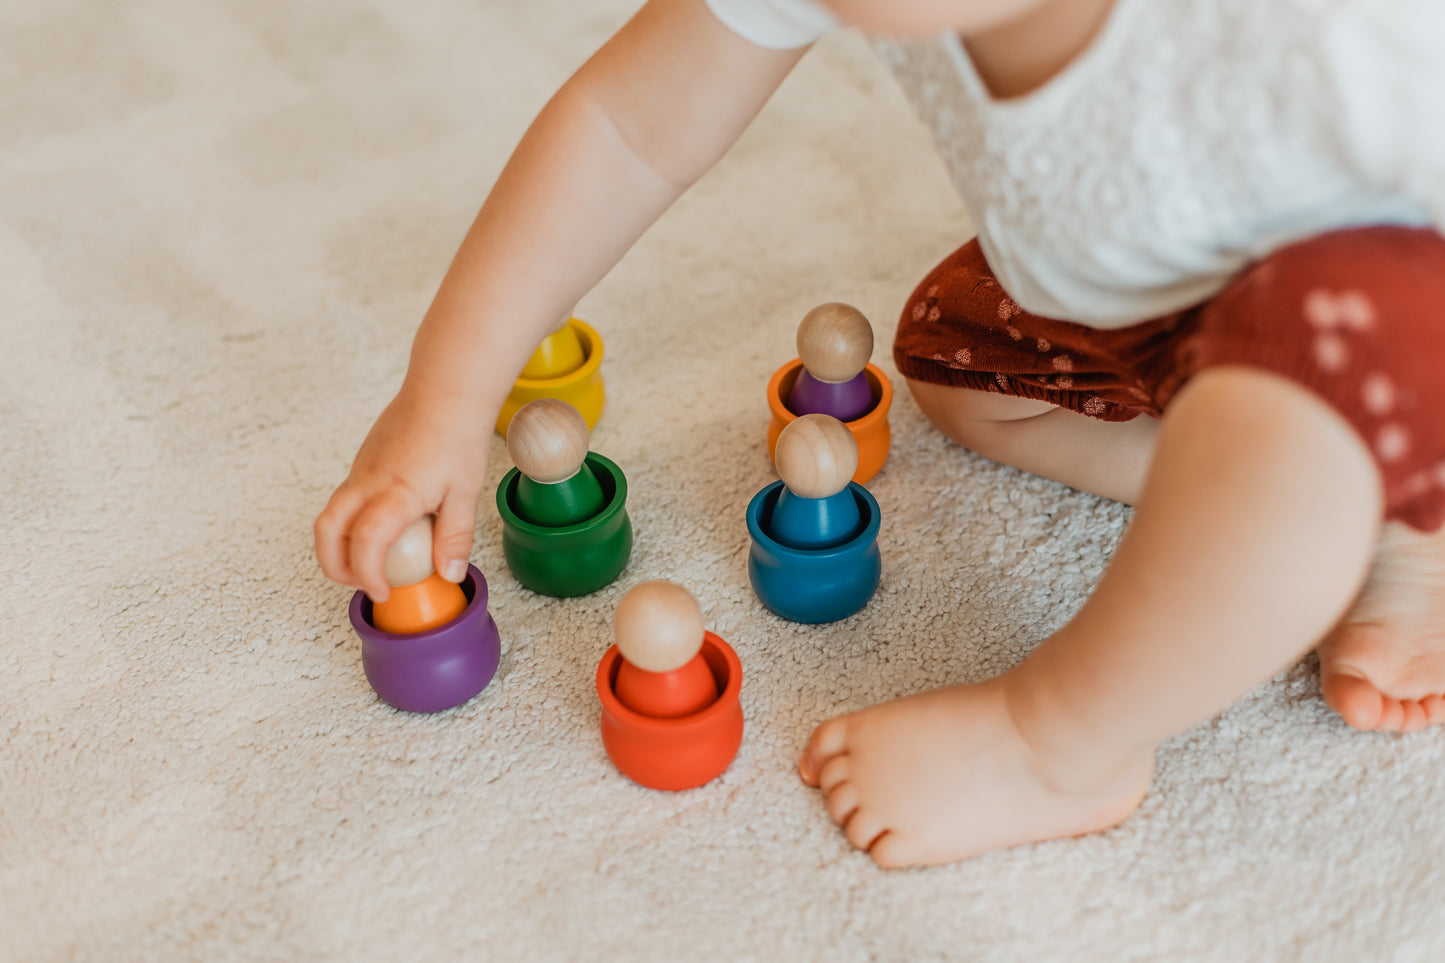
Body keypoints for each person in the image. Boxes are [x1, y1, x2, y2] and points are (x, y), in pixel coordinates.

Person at [314, 0, 1445, 867]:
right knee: (953, 371)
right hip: (1178, 302)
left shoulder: (1341, 48)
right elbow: (625, 125)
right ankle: (1308, 516)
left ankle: (1064, 745)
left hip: (1390, 329)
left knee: (1305, 397)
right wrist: (448, 392)